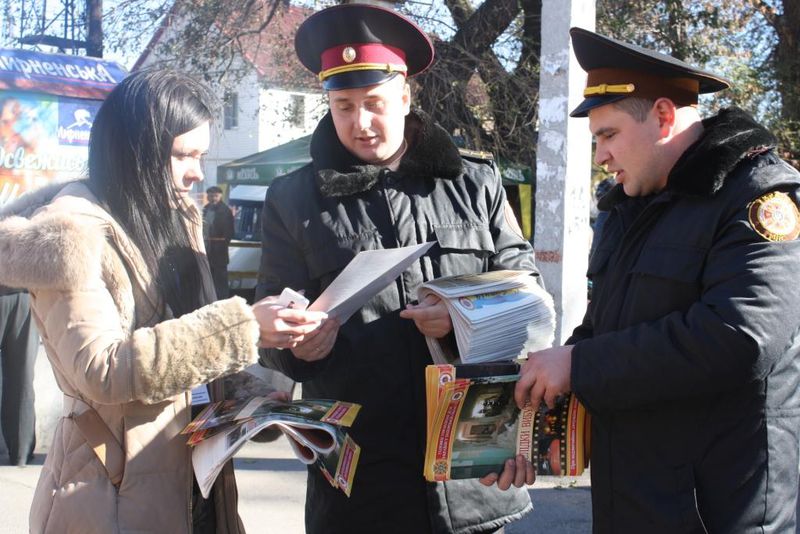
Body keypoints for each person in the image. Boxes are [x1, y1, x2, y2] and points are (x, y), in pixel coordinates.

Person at [0, 69, 326, 533]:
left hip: (198, 487)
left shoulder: (176, 216)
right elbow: (104, 371)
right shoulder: (71, 234)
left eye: (201, 155)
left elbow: (186, 353)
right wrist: (243, 327)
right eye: (182, 155)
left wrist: (253, 400)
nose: (197, 172)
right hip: (111, 496)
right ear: (133, 152)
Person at [256, 4, 536, 533]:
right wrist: (295, 348)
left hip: (473, 474)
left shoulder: (475, 183)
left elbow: (527, 293)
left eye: (374, 103)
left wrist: (462, 317)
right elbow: (272, 317)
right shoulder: (292, 198)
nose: (360, 123)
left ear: (406, 96)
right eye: (342, 106)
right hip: (360, 484)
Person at [514, 28, 800, 532]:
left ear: (664, 117)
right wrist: (550, 421)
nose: (600, 157)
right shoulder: (627, 209)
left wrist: (578, 364)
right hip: (633, 499)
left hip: (716, 509)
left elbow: (741, 337)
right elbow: (607, 332)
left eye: (608, 135)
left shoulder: (760, 198)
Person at [0, 285, 38, 466]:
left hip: (23, 291)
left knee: (23, 376)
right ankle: (21, 452)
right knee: (22, 375)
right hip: (24, 291)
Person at [203, 185, 235, 299]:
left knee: (221, 281)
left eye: (215, 196)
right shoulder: (205, 209)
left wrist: (220, 245)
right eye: (211, 196)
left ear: (220, 196)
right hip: (206, 250)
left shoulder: (225, 210)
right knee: (208, 279)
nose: (213, 198)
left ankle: (222, 300)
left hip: (219, 251)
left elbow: (230, 232)